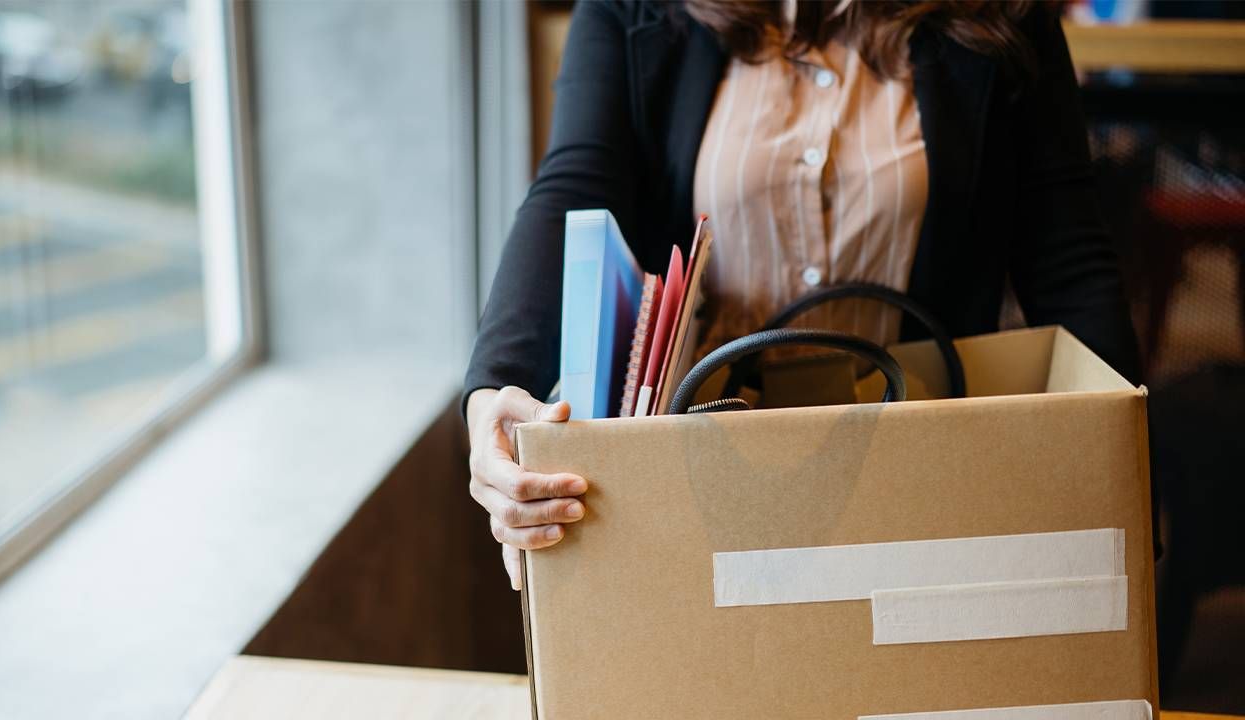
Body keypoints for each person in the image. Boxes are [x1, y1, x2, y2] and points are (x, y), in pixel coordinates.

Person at [463, 0, 1140, 589]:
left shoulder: (1004, 13)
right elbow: (574, 189)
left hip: (919, 483)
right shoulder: (636, 8)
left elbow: (1068, 263)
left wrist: (1125, 501)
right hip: (689, 485)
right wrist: (495, 388)